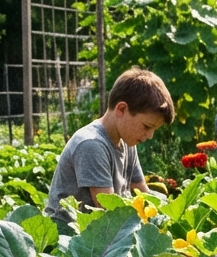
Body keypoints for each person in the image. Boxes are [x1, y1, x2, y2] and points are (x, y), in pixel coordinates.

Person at [44, 68, 173, 225]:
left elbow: (143, 194)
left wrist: (168, 217)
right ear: (122, 109)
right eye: (147, 126)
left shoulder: (127, 141)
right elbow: (108, 210)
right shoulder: (92, 145)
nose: (150, 135)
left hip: (99, 234)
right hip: (67, 236)